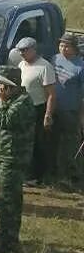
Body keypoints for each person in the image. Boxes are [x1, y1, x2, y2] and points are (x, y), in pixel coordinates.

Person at [0, 66, 36, 253]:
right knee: (5, 198)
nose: (0, 90)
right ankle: (4, 233)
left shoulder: (23, 102)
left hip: (14, 157)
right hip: (6, 155)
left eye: (4, 86)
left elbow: (5, 120)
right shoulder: (13, 100)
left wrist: (1, 102)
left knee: (7, 199)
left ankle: (9, 242)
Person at [15, 36, 57, 184]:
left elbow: (51, 94)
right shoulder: (21, 65)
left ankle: (36, 176)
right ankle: (24, 172)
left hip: (38, 108)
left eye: (24, 50)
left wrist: (48, 114)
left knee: (36, 142)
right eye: (20, 50)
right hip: (22, 108)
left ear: (33, 50)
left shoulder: (45, 67)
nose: (21, 53)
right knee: (22, 141)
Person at [52, 34, 84, 188]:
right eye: (61, 45)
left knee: (69, 145)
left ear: (74, 48)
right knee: (51, 142)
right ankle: (50, 173)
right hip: (52, 108)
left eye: (67, 46)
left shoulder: (80, 66)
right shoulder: (54, 59)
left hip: (70, 110)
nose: (63, 49)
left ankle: (68, 176)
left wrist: (81, 115)